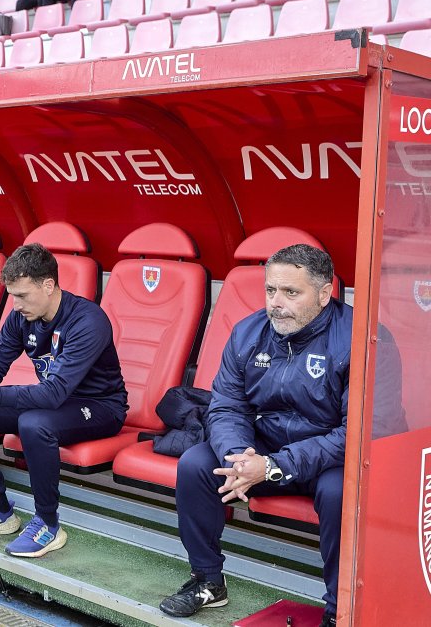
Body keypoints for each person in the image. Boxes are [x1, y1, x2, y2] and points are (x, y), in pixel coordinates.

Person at [160, 245, 350, 627]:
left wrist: (274, 466)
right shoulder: (249, 332)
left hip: (327, 457)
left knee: (340, 492)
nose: (276, 303)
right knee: (197, 464)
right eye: (270, 291)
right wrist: (239, 457)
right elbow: (227, 406)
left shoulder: (358, 340)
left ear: (325, 293)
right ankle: (207, 580)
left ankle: (339, 610)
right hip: (260, 450)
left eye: (290, 293)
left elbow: (355, 434)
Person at [0, 244, 128, 557]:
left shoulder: (88, 320)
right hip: (55, 403)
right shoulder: (23, 316)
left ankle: (47, 522)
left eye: (22, 295)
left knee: (33, 423)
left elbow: (54, 392)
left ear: (48, 285)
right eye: (12, 296)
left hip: (99, 408)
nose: (15, 304)